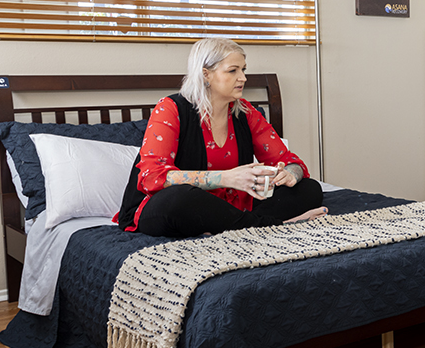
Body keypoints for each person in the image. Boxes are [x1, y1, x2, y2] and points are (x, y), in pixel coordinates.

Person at [117, 38, 327, 238]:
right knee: (178, 200)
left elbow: (291, 161)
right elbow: (152, 177)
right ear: (206, 74)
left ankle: (229, 227)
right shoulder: (170, 109)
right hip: (174, 206)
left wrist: (290, 174)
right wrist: (226, 178)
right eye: (233, 71)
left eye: (243, 69)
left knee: (309, 189)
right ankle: (275, 226)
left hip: (231, 207)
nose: (243, 78)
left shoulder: (245, 112)